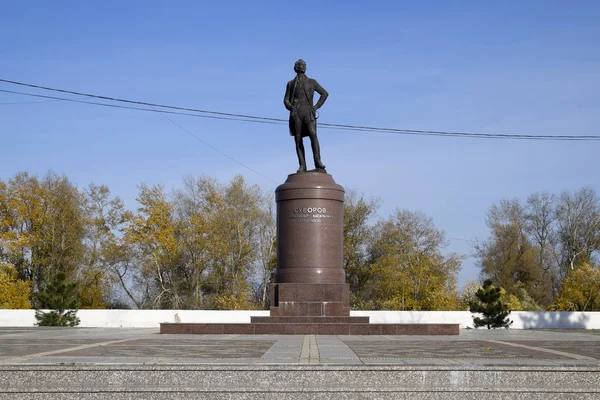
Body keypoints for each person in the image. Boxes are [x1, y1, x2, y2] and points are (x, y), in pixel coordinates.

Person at [284, 59, 329, 172]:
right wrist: (291, 107)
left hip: (309, 112)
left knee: (313, 135)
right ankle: (302, 165)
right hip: (296, 113)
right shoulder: (291, 83)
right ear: (296, 67)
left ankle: (317, 161)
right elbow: (285, 100)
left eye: (304, 65)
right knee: (298, 139)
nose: (303, 67)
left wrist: (316, 107)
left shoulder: (312, 82)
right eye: (300, 65)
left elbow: (324, 93)